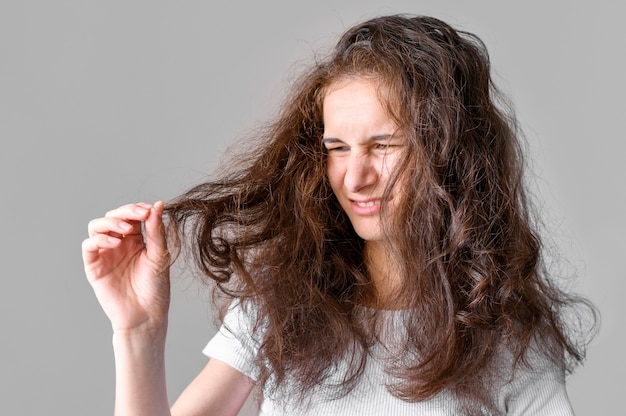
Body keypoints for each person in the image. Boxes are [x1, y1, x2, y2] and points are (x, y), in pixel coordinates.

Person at [82, 14, 596, 415]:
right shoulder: (280, 308)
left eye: (383, 145)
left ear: (448, 155)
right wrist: (138, 333)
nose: (354, 178)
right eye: (338, 148)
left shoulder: (507, 339)